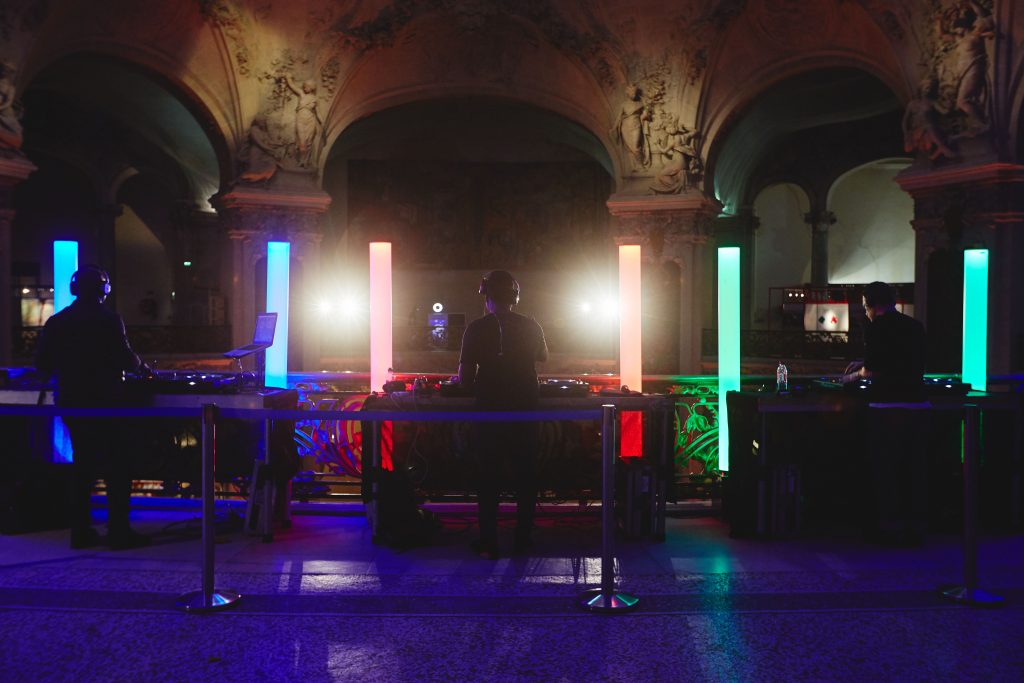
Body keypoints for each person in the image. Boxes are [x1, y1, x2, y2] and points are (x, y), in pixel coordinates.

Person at [35, 265, 151, 550]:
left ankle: (81, 531)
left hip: (72, 403)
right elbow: (127, 359)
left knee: (82, 465)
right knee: (118, 465)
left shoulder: (57, 321)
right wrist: (144, 369)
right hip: (106, 403)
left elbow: (42, 364)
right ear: (104, 289)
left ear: (75, 289)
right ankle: (118, 532)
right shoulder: (110, 320)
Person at [457, 270, 548, 559]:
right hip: (525, 408)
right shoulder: (531, 325)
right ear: (515, 297)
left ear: (486, 297)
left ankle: (489, 540)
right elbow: (543, 357)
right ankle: (522, 539)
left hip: (490, 410)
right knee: (526, 474)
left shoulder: (475, 328)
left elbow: (465, 378)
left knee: (488, 476)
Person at [843, 281, 929, 545]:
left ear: (870, 304)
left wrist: (855, 375)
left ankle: (888, 530)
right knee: (914, 471)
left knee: (886, 472)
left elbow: (874, 369)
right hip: (919, 406)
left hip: (887, 408)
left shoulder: (877, 327)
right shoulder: (914, 326)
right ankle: (915, 529)